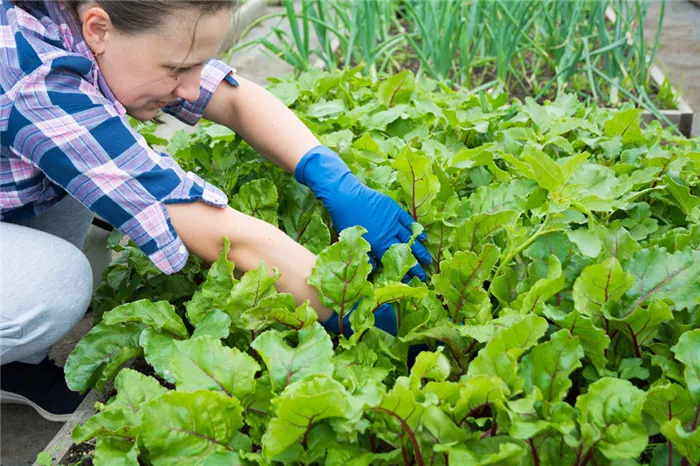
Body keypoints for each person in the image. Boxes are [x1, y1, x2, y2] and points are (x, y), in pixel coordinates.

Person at [0, 0, 432, 421]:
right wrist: (359, 308)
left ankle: (13, 365)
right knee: (58, 284)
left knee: (88, 168)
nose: (190, 87)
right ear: (98, 28)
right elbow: (214, 229)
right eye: (176, 69)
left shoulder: (90, 24)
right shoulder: (35, 78)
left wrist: (334, 178)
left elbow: (234, 99)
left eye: (197, 65)